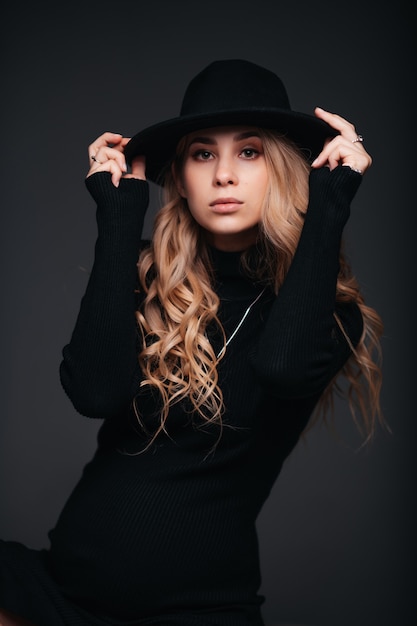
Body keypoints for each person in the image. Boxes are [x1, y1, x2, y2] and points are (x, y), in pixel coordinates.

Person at [0, 58, 384, 626]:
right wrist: (117, 220)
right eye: (203, 153)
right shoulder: (145, 277)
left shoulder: (329, 314)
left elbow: (281, 368)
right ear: (179, 175)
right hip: (58, 593)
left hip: (198, 608)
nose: (223, 175)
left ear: (283, 168)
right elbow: (95, 392)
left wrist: (329, 201)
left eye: (249, 152)